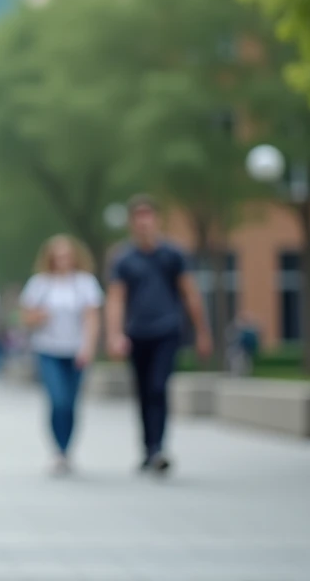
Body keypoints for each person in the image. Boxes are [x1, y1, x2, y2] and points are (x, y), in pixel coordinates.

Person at [106, 194, 212, 475]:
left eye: (148, 216)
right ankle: (148, 448)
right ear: (132, 222)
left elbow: (190, 293)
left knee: (158, 387)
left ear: (156, 219)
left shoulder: (173, 254)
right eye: (138, 217)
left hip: (167, 330)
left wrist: (203, 332)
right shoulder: (124, 258)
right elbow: (116, 298)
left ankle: (158, 448)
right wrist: (114, 334)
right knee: (142, 391)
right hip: (136, 333)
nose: (144, 223)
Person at [19, 235, 103, 475]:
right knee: (58, 400)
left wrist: (88, 348)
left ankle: (66, 451)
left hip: (76, 351)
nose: (63, 260)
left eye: (67, 255)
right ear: (50, 258)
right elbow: (25, 317)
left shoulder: (85, 283)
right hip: (48, 350)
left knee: (71, 403)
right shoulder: (40, 284)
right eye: (58, 256)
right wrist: (39, 317)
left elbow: (92, 318)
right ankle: (58, 450)